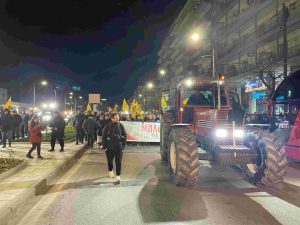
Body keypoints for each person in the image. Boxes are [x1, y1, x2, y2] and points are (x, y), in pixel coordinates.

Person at [102, 113, 127, 184]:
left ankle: (118, 175)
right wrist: (105, 147)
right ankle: (110, 171)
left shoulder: (121, 125)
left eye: (118, 118)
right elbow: (104, 137)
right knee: (110, 161)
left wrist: (123, 145)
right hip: (110, 148)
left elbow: (125, 135)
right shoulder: (107, 126)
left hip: (119, 147)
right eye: (116, 118)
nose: (118, 119)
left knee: (118, 162)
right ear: (112, 118)